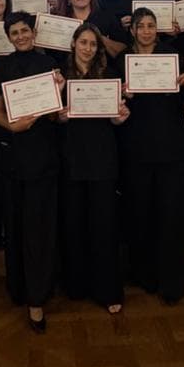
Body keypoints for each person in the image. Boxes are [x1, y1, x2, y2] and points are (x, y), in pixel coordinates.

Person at [0, 12, 63, 332]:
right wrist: (11, 125)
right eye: (14, 32)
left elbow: (57, 115)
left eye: (24, 31)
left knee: (39, 229)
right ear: (8, 36)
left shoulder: (50, 63)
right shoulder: (1, 66)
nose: (20, 36)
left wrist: (59, 92)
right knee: (15, 225)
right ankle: (18, 288)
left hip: (44, 156)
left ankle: (37, 297)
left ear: (34, 32)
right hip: (11, 155)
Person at [119, 7, 184, 304]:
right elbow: (113, 104)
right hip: (135, 148)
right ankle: (145, 274)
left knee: (172, 216)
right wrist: (122, 93)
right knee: (141, 214)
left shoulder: (172, 55)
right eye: (142, 26)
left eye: (152, 25)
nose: (147, 30)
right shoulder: (121, 60)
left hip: (171, 147)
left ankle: (173, 280)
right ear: (133, 30)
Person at [57, 22, 127, 313]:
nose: (88, 48)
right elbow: (51, 119)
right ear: (73, 44)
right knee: (73, 224)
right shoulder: (59, 78)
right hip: (71, 157)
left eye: (93, 44)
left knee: (104, 225)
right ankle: (76, 285)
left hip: (102, 157)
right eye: (83, 42)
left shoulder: (110, 76)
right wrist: (58, 116)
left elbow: (115, 119)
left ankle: (107, 289)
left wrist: (119, 117)